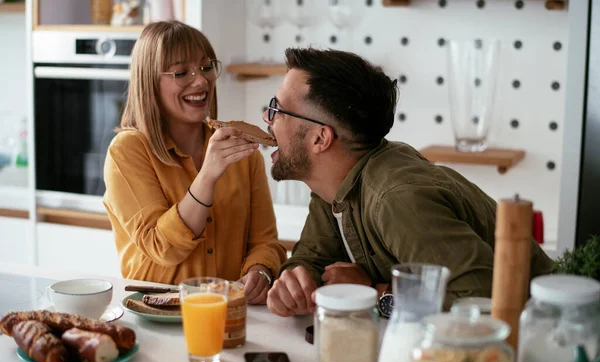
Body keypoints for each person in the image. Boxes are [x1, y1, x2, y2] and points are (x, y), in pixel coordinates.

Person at [264, 47, 552, 317]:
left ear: (320, 138)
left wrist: (375, 294)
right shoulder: (332, 186)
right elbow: (314, 259)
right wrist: (296, 281)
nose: (266, 117)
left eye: (277, 109)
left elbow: (481, 302)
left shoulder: (396, 199)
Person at [103, 21, 286, 305]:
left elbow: (265, 241)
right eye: (180, 72)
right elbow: (161, 247)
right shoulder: (127, 152)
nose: (201, 81)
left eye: (205, 67)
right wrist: (207, 177)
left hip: (227, 312)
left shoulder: (238, 147)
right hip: (155, 316)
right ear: (149, 81)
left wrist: (260, 272)